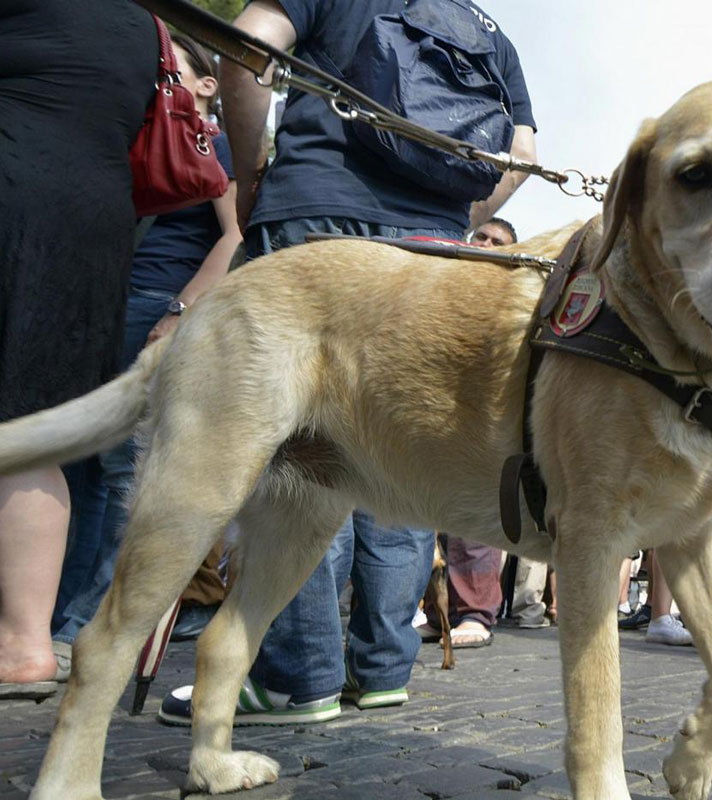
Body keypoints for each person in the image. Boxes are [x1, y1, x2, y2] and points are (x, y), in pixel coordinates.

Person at [158, 0, 536, 724]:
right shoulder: (489, 31)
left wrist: (253, 172)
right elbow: (520, 148)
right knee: (402, 449)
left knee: (304, 449)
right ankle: (385, 667)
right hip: (433, 246)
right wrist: (457, 215)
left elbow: (248, 47)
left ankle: (297, 678)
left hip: (317, 212)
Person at [51, 34, 241, 654]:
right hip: (108, 304)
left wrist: (181, 310)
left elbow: (236, 236)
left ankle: (91, 622)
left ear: (207, 85)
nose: (153, 74)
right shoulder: (141, 137)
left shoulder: (214, 142)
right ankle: (58, 617)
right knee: (81, 465)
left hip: (156, 304)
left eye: (169, 68)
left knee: (118, 470)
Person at [0, 0, 157, 698]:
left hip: (18, 192)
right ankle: (25, 642)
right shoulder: (145, 23)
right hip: (95, 216)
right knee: (33, 427)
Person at [445, 218, 519, 647]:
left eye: (499, 242)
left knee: (472, 522)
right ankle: (439, 612)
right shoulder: (448, 281)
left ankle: (475, 613)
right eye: (482, 237)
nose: (488, 245)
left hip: (481, 419)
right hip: (438, 412)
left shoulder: (511, 293)